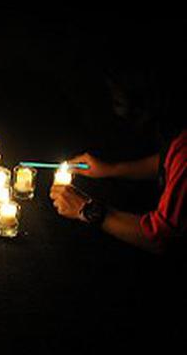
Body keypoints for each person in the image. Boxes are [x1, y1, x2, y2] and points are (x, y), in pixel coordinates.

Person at [51, 68, 185, 255]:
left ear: (146, 102)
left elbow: (161, 238)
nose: (116, 112)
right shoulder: (179, 142)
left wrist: (86, 209)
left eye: (119, 102)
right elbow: (167, 161)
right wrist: (110, 169)